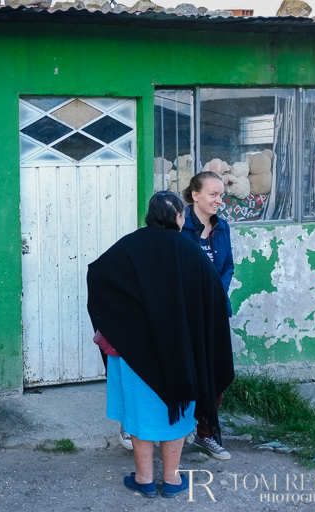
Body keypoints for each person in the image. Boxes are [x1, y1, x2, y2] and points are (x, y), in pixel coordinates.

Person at [87, 191, 234, 499]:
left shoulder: (130, 246)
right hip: (182, 353)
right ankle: (171, 479)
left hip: (135, 353)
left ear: (149, 217)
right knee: (178, 412)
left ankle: (143, 479)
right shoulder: (191, 251)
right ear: (179, 218)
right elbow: (215, 297)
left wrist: (119, 325)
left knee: (139, 414)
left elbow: (97, 274)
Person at [181, 171, 234, 461]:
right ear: (195, 195)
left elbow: (228, 266)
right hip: (186, 314)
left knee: (216, 374)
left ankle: (205, 433)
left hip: (214, 313)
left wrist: (216, 295)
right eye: (213, 194)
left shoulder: (222, 227)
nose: (218, 200)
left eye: (221, 195)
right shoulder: (179, 226)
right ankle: (170, 431)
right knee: (182, 371)